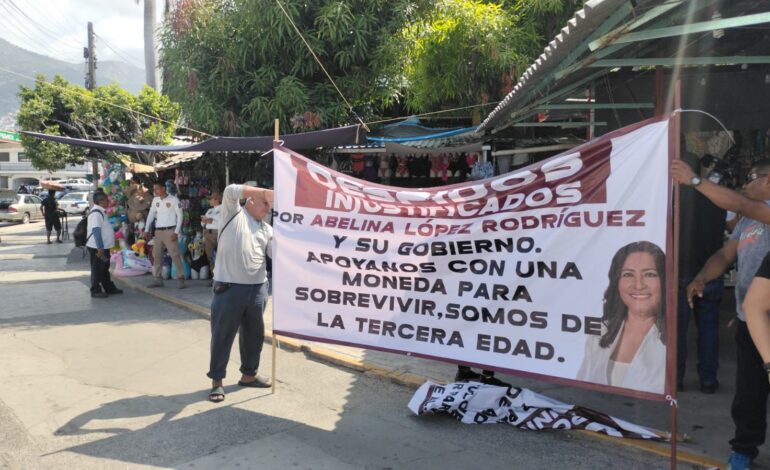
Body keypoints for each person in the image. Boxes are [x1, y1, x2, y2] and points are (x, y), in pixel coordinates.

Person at [672, 158, 770, 470]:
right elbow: (724, 255)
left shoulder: (760, 210)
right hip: (748, 321)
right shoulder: (746, 222)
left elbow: (740, 202)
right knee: (748, 395)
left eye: (751, 178)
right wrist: (703, 276)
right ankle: (743, 449)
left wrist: (694, 181)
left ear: (768, 181)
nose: (745, 184)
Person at [207, 183, 274, 403]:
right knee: (222, 335)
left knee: (254, 336)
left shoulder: (266, 228)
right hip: (229, 288)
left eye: (270, 205)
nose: (268, 208)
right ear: (251, 200)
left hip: (258, 289)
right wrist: (263, 192)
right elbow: (230, 190)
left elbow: (276, 255)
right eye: (264, 203)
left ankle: (249, 375)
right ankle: (217, 382)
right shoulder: (233, 213)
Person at [577, 241, 666, 394]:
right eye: (628, 274)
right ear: (616, 282)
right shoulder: (599, 331)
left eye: (649, 274)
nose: (638, 285)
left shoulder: (674, 340)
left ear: (664, 280)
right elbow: (582, 388)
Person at [677, 152, 726, 393]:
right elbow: (731, 225)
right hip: (711, 273)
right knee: (709, 329)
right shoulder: (718, 198)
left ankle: (675, 380)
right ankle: (708, 381)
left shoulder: (671, 199)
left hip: (680, 274)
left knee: (676, 332)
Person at [142, 181, 186, 289]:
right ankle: (157, 279)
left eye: (157, 188)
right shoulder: (155, 200)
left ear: (163, 189)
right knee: (157, 255)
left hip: (170, 230)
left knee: (175, 254)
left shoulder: (174, 199)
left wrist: (176, 232)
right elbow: (151, 215)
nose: (155, 191)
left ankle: (180, 278)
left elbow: (180, 216)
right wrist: (146, 229)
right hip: (158, 231)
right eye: (154, 189)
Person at [86, 192, 123, 298]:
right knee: (97, 268)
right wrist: (100, 248)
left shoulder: (101, 211)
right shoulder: (96, 213)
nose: (109, 201)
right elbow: (96, 230)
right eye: (106, 200)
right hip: (97, 247)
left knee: (104, 267)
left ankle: (108, 287)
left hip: (103, 246)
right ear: (101, 201)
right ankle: (95, 290)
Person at [201, 191, 222, 281]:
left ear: (217, 199)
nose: (209, 200)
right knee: (210, 256)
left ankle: (222, 277)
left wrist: (212, 221)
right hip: (208, 233)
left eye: (211, 198)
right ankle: (214, 277)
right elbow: (202, 223)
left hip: (218, 233)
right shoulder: (209, 210)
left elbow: (222, 221)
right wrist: (205, 221)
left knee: (221, 256)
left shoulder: (223, 209)